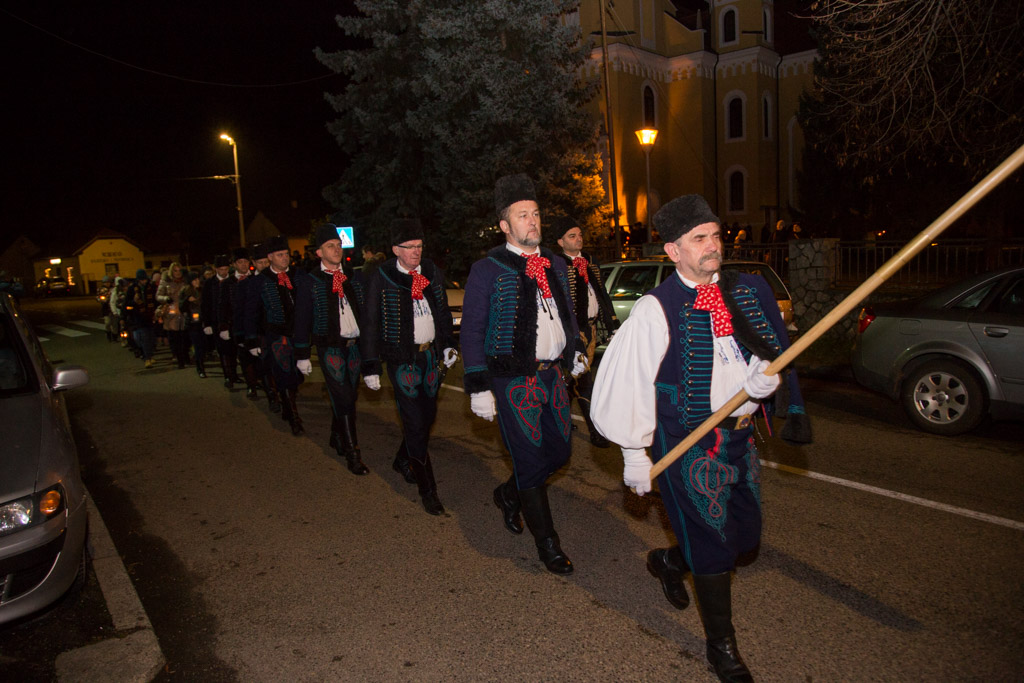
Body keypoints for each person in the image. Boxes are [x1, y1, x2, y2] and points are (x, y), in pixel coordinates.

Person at [591, 194, 812, 682]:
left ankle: (671, 560)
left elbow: (772, 350)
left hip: (740, 438)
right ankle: (722, 648)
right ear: (673, 251)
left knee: (744, 539)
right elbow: (629, 382)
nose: (713, 245)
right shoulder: (655, 309)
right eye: (699, 239)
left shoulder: (744, 290)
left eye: (715, 235)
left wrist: (766, 383)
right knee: (713, 544)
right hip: (686, 444)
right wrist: (634, 452)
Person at [461, 173, 588, 574]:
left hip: (553, 377)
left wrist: (575, 349)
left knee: (561, 452)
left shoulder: (554, 262)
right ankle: (548, 544)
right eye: (522, 215)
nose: (532, 221)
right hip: (512, 379)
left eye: (535, 213)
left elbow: (567, 314)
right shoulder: (487, 269)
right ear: (504, 225)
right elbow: (472, 329)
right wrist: (478, 386)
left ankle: (508, 493)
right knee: (531, 459)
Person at [360, 218, 458, 514]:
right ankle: (428, 489)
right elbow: (370, 322)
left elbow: (442, 311)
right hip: (402, 359)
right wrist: (370, 365)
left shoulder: (430, 271)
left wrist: (448, 344)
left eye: (419, 246)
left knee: (427, 418)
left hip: (430, 357)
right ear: (395, 250)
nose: (417, 252)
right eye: (410, 247)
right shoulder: (382, 276)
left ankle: (403, 459)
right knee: (415, 423)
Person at [293, 224, 370, 475]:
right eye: (330, 246)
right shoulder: (310, 281)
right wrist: (303, 354)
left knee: (350, 396)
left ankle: (336, 436)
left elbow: (366, 314)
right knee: (344, 398)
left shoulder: (354, 278)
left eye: (338, 245)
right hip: (330, 348)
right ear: (319, 252)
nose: (336, 250)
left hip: (354, 347)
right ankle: (352, 453)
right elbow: (302, 319)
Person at [551, 216, 619, 447]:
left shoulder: (590, 260)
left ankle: (560, 418)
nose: (578, 239)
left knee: (573, 377)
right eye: (572, 236)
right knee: (584, 378)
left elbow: (601, 292)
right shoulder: (556, 264)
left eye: (580, 235)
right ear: (560, 242)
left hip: (591, 328)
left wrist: (611, 321)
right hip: (572, 330)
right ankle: (595, 430)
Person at [245, 235, 305, 435]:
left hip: (299, 335)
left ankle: (288, 406)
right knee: (283, 373)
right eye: (280, 255)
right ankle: (294, 418)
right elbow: (251, 312)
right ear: (270, 257)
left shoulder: (299, 275)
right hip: (276, 336)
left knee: (297, 375)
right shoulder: (260, 281)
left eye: (286, 254)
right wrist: (252, 339)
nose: (285, 258)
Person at [202, 255, 242, 388]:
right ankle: (228, 376)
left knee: (233, 349)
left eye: (226, 269)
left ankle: (234, 375)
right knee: (223, 350)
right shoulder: (209, 283)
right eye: (221, 269)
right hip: (216, 321)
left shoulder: (233, 281)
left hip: (232, 321)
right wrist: (207, 323)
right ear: (216, 269)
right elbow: (205, 304)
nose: (224, 272)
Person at [228, 248, 262, 400]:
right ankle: (251, 386)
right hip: (238, 324)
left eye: (245, 262)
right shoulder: (229, 282)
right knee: (245, 358)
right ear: (234, 264)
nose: (243, 265)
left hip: (255, 325)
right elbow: (228, 306)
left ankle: (260, 381)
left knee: (258, 359)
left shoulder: (255, 279)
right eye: (240, 262)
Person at [157, 262, 190, 369]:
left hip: (184, 311)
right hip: (172, 312)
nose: (178, 273)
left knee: (185, 337)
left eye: (179, 270)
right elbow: (158, 296)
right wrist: (166, 298)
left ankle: (186, 356)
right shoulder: (166, 282)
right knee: (175, 338)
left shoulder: (185, 281)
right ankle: (180, 359)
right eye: (175, 270)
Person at [124, 269, 157, 368]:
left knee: (152, 338)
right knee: (144, 338)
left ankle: (150, 355)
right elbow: (127, 304)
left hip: (151, 316)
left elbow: (155, 300)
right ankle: (147, 358)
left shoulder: (151, 287)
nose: (144, 281)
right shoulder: (132, 289)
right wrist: (134, 302)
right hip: (139, 317)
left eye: (145, 279)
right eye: (142, 280)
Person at [178, 270, 207, 378]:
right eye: (194, 280)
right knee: (197, 345)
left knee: (204, 345)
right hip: (192, 323)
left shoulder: (202, 290)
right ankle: (200, 368)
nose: (197, 281)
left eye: (198, 279)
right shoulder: (185, 292)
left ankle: (201, 362)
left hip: (203, 321)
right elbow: (181, 308)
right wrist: (187, 300)